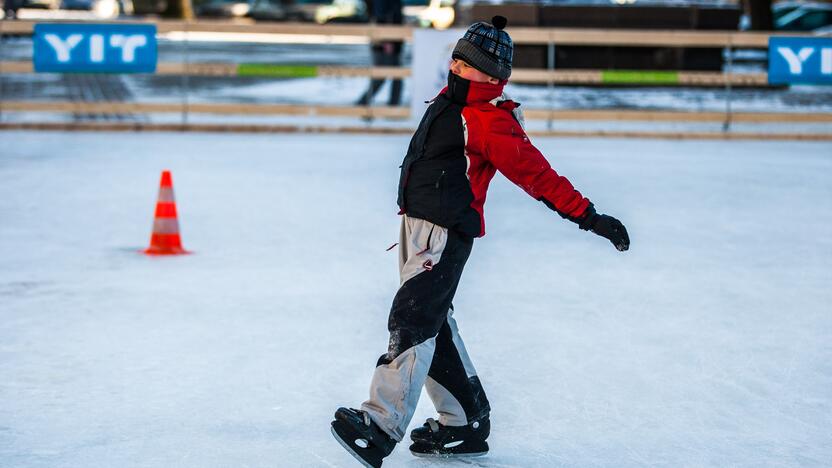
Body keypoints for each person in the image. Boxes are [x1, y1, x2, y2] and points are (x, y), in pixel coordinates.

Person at [331, 16, 630, 468]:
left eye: (468, 63)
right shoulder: (452, 100)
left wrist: (590, 217)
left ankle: (380, 425)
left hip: (444, 234)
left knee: (411, 320)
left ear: (494, 77)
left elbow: (538, 176)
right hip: (417, 231)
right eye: (456, 57)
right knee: (436, 328)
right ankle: (465, 422)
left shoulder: (488, 118)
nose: (455, 64)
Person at [356, 0, 404, 107]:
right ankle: (363, 102)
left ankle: (393, 104)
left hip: (390, 38)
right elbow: (381, 15)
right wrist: (387, 40)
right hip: (386, 39)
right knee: (382, 76)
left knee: (397, 75)